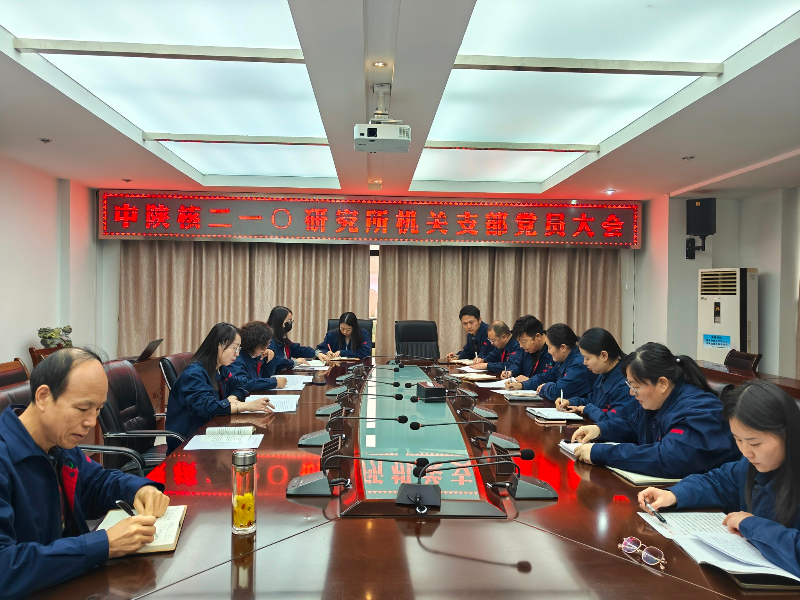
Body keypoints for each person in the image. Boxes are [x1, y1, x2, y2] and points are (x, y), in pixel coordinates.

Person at [0, 348, 170, 599]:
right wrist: (104, 544)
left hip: (71, 584)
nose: (92, 422)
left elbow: (95, 483)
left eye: (98, 409)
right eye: (82, 408)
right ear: (44, 397)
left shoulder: (58, 443)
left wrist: (139, 489)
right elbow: (5, 568)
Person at [638, 381, 800, 578]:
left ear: (788, 435)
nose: (746, 452)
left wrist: (750, 525)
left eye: (755, 443)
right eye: (738, 440)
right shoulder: (750, 464)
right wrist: (674, 495)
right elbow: (719, 481)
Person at [571, 342, 738, 478]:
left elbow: (668, 457)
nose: (631, 393)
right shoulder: (657, 401)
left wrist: (603, 453)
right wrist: (599, 430)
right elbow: (632, 425)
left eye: (636, 386)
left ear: (662, 383)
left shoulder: (699, 409)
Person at [165, 323, 274, 454]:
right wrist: (247, 406)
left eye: (239, 349)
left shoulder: (220, 368)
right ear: (219, 345)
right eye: (234, 348)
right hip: (189, 444)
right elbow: (208, 407)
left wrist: (232, 398)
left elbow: (239, 385)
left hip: (211, 432)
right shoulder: (193, 373)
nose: (237, 354)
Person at [555, 327, 636, 423]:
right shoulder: (603, 375)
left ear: (604, 356)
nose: (584, 363)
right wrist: (570, 402)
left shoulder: (625, 384)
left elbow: (614, 422)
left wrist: (588, 409)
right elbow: (592, 400)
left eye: (587, 358)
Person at [505, 323, 596, 400]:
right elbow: (544, 377)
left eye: (549, 347)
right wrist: (521, 385)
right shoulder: (563, 360)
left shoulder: (578, 364)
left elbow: (557, 392)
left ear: (563, 347)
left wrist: (546, 386)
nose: (548, 352)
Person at [228, 321, 287, 392]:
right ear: (254, 344)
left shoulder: (257, 354)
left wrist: (270, 358)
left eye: (268, 344)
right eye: (264, 345)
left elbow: (267, 375)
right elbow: (243, 383)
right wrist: (274, 382)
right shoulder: (236, 359)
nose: (266, 348)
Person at [505, 315, 554, 382]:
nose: (521, 346)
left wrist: (530, 381)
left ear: (538, 336)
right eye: (519, 342)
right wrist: (511, 372)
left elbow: (554, 380)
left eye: (524, 342)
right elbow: (518, 364)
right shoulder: (526, 348)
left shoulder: (554, 349)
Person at [266, 306, 316, 372]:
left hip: (284, 373)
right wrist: (293, 362)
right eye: (289, 321)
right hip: (275, 375)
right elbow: (274, 360)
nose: (290, 324)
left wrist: (316, 353)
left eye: (291, 321)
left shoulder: (282, 337)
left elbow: (297, 349)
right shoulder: (269, 340)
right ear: (279, 321)